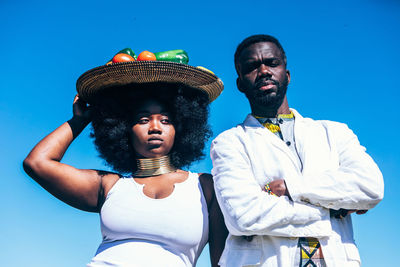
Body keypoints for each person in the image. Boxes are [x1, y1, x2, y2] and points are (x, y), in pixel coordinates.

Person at [23, 57, 228, 266]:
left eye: (165, 120)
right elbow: (37, 163)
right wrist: (80, 121)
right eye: (143, 120)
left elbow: (223, 262)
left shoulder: (206, 187)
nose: (155, 127)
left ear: (182, 128)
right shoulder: (110, 186)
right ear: (123, 129)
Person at [210, 34, 384, 267]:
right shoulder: (229, 143)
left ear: (287, 75)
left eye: (272, 63)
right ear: (240, 83)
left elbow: (370, 187)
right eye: (252, 67)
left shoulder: (334, 132)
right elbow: (243, 216)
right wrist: (330, 209)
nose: (263, 71)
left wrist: (291, 188)